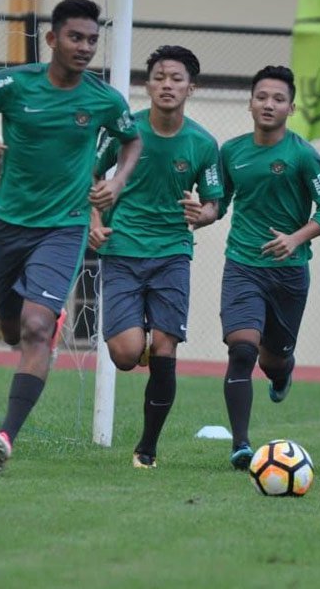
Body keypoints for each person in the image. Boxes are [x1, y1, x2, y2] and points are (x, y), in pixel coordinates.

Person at [0, 0, 143, 472]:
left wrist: (115, 182)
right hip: (10, 223)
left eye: (93, 40)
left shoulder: (103, 98)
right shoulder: (15, 84)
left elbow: (132, 139)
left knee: (37, 328)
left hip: (65, 226)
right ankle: (22, 321)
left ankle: (5, 436)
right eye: (76, 37)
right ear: (52, 38)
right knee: (12, 328)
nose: (85, 47)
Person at [90, 45, 222, 469]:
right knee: (126, 355)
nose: (168, 85)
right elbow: (89, 172)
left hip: (172, 253)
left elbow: (215, 203)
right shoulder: (124, 130)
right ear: (147, 84)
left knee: (165, 347)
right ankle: (136, 340)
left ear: (191, 88)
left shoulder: (203, 143)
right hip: (122, 248)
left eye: (177, 79)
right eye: (160, 77)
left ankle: (147, 447)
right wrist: (94, 219)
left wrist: (201, 215)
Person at [218, 65, 320, 470]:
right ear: (250, 102)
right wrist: (202, 212)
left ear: (291, 108)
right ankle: (240, 444)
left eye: (278, 99)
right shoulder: (231, 152)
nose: (268, 104)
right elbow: (219, 201)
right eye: (262, 97)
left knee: (272, 360)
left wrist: (295, 238)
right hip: (242, 264)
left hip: (289, 274)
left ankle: (283, 371)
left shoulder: (303, 155)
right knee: (241, 348)